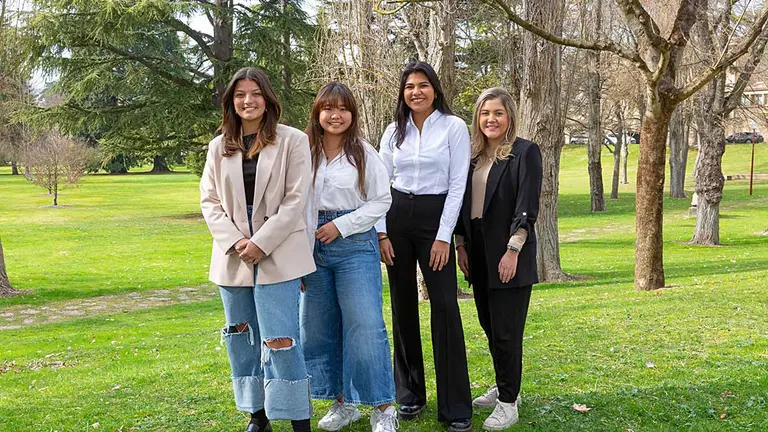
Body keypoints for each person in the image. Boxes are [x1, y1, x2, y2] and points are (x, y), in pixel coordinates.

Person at [200, 66, 315, 432]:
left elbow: (297, 199)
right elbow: (210, 200)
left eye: (255, 93)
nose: (247, 101)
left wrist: (261, 242)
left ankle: (298, 417)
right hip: (232, 253)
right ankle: (257, 414)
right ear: (231, 102)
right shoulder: (219, 146)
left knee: (281, 337)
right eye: (240, 95)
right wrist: (237, 241)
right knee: (241, 336)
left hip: (279, 251)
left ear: (267, 99)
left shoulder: (293, 140)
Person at [375, 61, 473, 432]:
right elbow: (379, 184)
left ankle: (456, 406)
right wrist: (382, 233)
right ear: (403, 93)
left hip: (437, 215)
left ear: (435, 89)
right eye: (409, 87)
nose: (416, 92)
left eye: (423, 85)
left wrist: (444, 235)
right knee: (402, 307)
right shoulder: (392, 131)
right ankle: (410, 394)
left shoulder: (453, 127)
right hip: (397, 214)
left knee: (445, 307)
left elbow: (458, 185)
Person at [300, 81, 398, 432]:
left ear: (352, 115)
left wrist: (340, 226)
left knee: (365, 325)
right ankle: (342, 402)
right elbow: (295, 203)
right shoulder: (304, 152)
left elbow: (381, 201)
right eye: (328, 108)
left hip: (354, 245)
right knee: (318, 328)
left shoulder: (363, 153)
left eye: (343, 109)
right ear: (318, 113)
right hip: (312, 249)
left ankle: (384, 407)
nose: (335, 115)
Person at [454, 87, 542, 430]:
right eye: (485, 113)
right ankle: (507, 386)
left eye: (498, 113)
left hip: (509, 252)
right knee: (490, 327)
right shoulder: (472, 157)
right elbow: (463, 206)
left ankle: (508, 403)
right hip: (476, 251)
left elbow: (527, 207)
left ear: (510, 117)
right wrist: (461, 245)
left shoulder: (524, 152)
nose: (491, 119)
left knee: (507, 331)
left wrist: (512, 250)